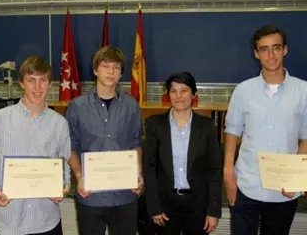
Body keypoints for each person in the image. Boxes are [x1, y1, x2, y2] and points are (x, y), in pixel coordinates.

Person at [224, 24, 307, 235]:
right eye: (264, 49)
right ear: (256, 53)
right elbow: (232, 132)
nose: (271, 55)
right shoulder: (243, 91)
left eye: (276, 47)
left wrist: (298, 178)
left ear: (285, 49)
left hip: (284, 190)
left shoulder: (303, 91)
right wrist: (228, 174)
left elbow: (306, 137)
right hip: (247, 184)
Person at [0, 56, 71, 235]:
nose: (38, 87)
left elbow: (64, 165)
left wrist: (65, 186)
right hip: (9, 221)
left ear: (50, 84)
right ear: (22, 83)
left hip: (47, 220)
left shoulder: (59, 123)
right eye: (31, 80)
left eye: (43, 80)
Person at [65, 46, 144, 235]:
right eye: (105, 66)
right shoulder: (76, 107)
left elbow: (136, 143)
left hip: (125, 195)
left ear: (121, 73)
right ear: (95, 70)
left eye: (116, 67)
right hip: (90, 195)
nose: (111, 72)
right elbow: (70, 147)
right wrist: (79, 177)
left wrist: (138, 173)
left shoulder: (132, 105)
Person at [143, 72, 222, 235]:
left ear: (194, 94)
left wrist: (214, 210)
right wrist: (154, 206)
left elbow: (214, 170)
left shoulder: (207, 127)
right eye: (173, 91)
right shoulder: (154, 124)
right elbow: (149, 167)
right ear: (168, 95)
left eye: (184, 90)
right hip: (165, 206)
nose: (178, 96)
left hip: (198, 205)